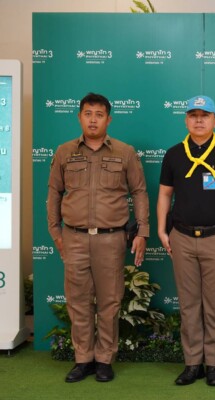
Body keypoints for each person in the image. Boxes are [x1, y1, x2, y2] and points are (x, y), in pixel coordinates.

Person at [47, 92, 149, 383]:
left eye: (99, 114)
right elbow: (54, 192)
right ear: (79, 117)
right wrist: (56, 232)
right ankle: (83, 360)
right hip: (74, 238)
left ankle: (104, 359)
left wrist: (142, 231)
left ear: (108, 119)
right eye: (88, 114)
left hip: (111, 239)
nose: (93, 120)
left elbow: (139, 191)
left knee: (109, 302)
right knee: (78, 302)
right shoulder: (65, 152)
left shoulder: (124, 152)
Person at [157, 95, 215, 387]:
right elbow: (164, 194)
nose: (199, 120)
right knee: (188, 305)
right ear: (186, 120)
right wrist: (162, 230)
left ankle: (213, 365)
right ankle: (192, 363)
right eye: (193, 115)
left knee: (214, 306)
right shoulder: (174, 154)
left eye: (205, 115)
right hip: (181, 237)